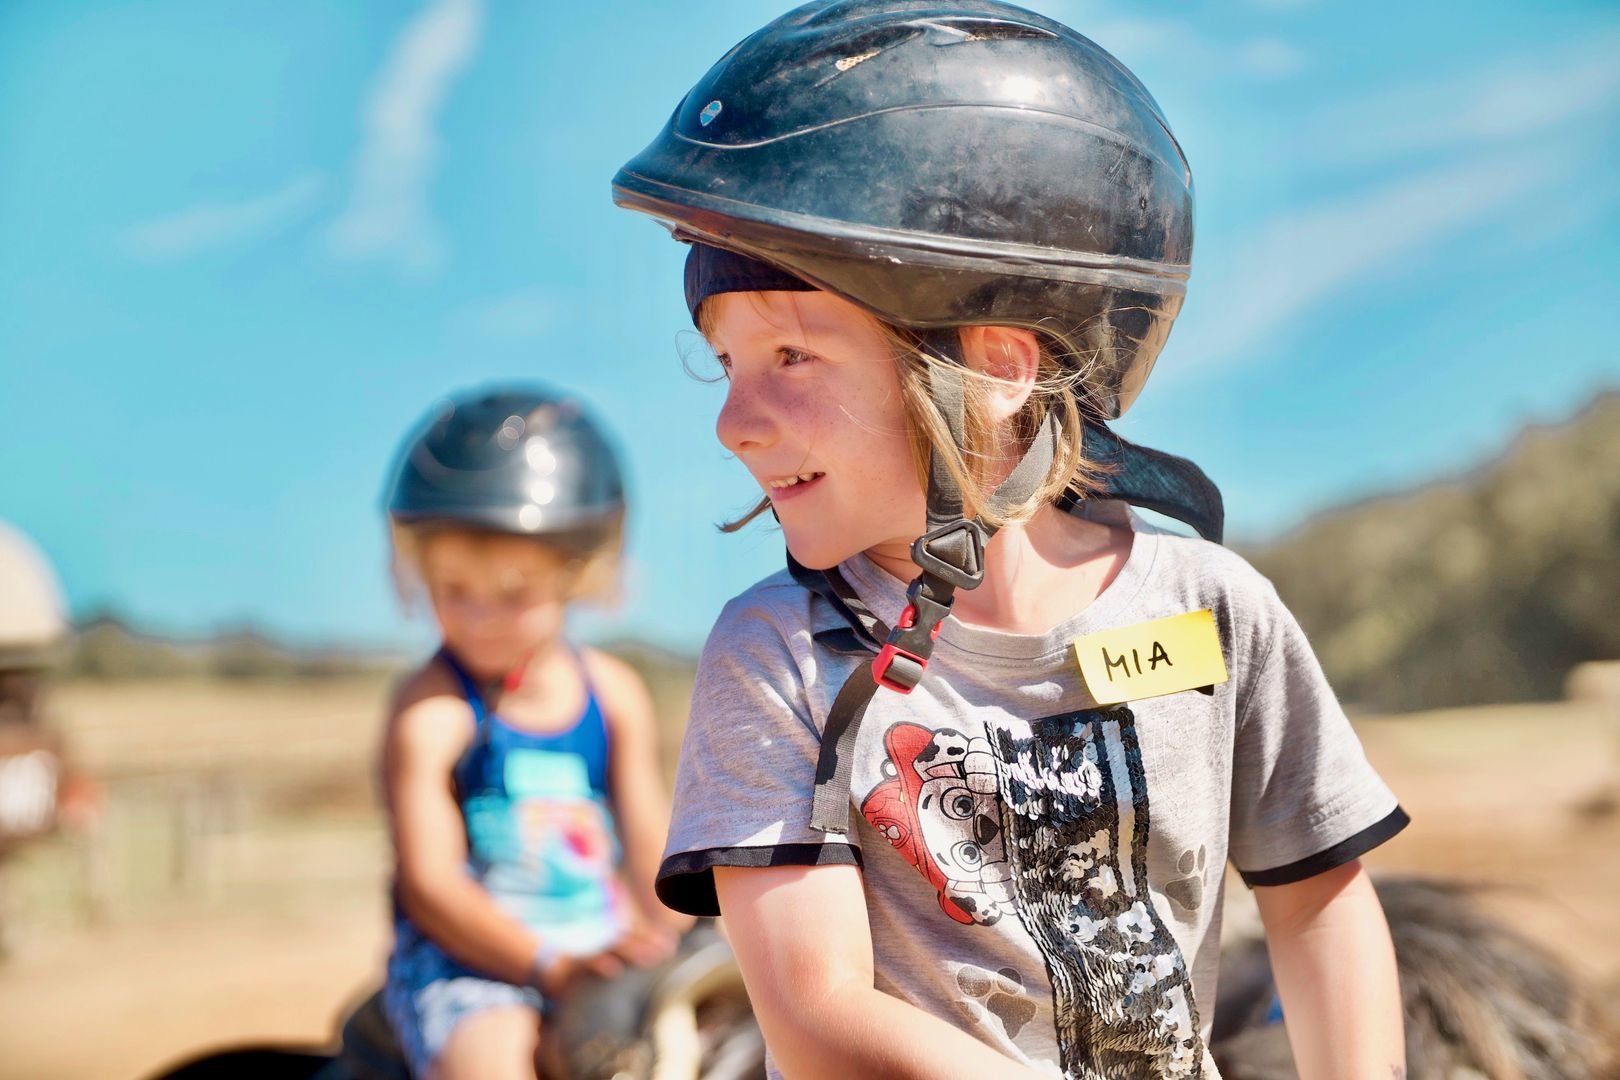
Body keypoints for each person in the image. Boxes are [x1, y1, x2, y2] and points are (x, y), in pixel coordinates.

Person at [611, 3, 1408, 1077]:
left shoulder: (1214, 613)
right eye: (727, 364)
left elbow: (1319, 906)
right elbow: (817, 1017)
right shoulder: (781, 657)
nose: (733, 420)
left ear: (996, 369)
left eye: (792, 356)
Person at [379, 386, 688, 1080]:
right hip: (473, 963)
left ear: (577, 575)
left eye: (513, 596)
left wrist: (664, 935)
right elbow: (429, 882)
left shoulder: (612, 694)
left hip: (599, 944)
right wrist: (546, 966)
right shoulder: (432, 707)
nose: (479, 616)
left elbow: (651, 849)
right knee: (489, 1064)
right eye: (452, 589)